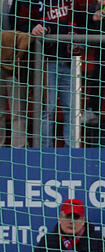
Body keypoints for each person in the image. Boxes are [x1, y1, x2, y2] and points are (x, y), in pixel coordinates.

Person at [11, 0, 80, 147]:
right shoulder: (28, 2)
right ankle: (45, 150)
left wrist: (94, 16)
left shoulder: (71, 2)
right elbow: (16, 22)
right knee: (48, 108)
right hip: (45, 61)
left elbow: (82, 19)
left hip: (69, 60)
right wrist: (31, 27)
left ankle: (72, 149)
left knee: (71, 108)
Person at [34, 199, 105, 252]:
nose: (71, 222)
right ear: (60, 219)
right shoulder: (47, 241)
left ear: (83, 221)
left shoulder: (96, 240)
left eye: (75, 217)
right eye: (68, 217)